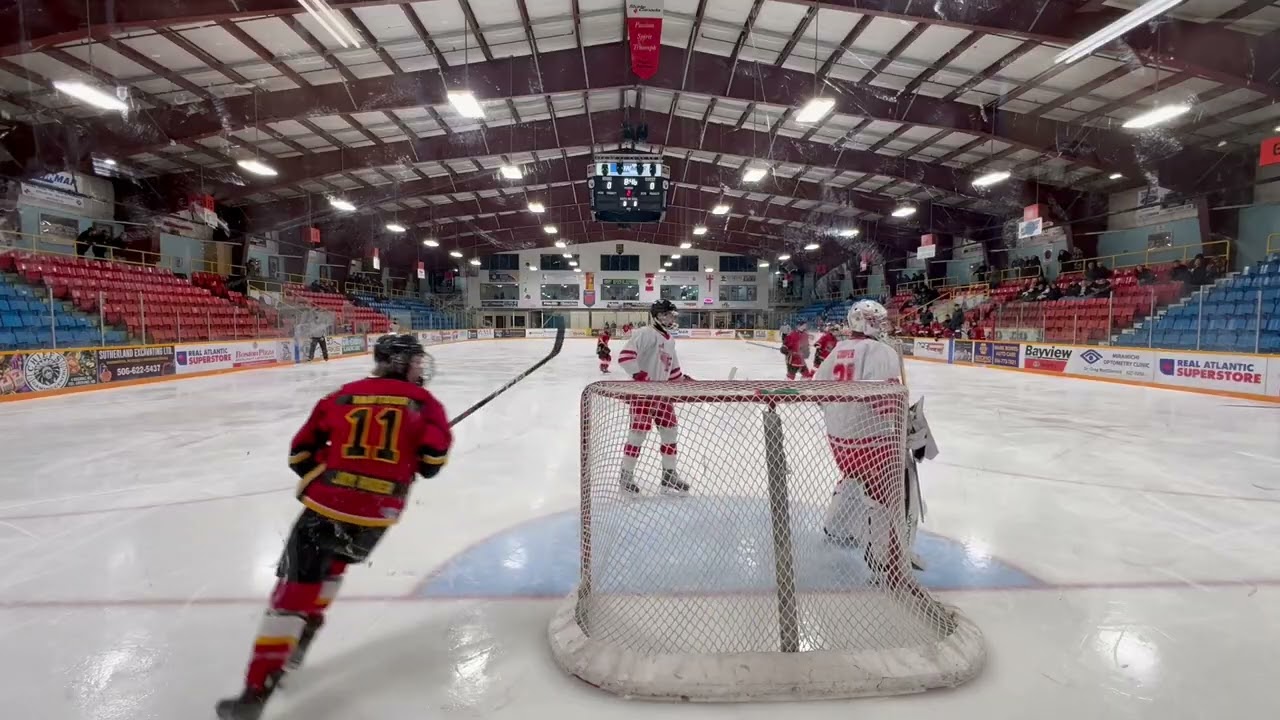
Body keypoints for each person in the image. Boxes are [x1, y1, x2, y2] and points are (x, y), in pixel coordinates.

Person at [215, 335, 452, 720]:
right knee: (335, 564)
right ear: (402, 363)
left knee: (292, 594)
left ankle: (256, 691)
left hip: (325, 509)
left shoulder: (342, 396)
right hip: (377, 517)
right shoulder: (425, 405)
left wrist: (333, 467)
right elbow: (432, 463)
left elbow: (299, 454)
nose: (420, 368)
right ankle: (306, 632)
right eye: (415, 362)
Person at [812, 300, 948, 627]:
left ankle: (837, 528)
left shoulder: (839, 348)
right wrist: (905, 431)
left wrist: (840, 417)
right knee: (884, 496)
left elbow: (816, 389)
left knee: (851, 477)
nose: (883, 325)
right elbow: (885, 399)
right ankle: (882, 562)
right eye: (878, 320)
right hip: (872, 437)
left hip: (840, 437)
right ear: (870, 322)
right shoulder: (882, 353)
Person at [616, 299, 693, 495]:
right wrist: (639, 375)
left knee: (670, 432)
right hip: (642, 394)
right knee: (638, 434)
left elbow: (673, 369)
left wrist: (684, 380)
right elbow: (625, 357)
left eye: (672, 315)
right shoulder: (645, 333)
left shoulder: (669, 339)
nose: (672, 318)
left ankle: (669, 476)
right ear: (658, 316)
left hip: (663, 394)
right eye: (668, 315)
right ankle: (626, 476)